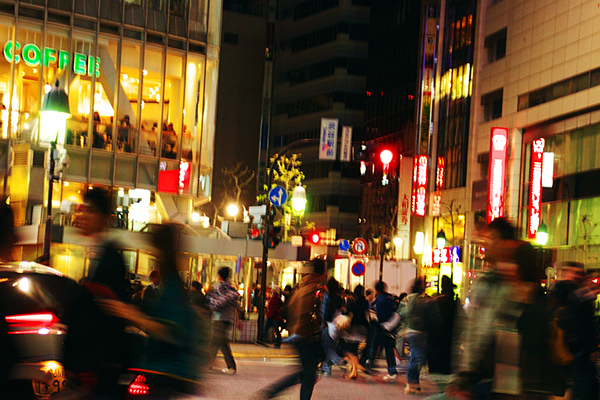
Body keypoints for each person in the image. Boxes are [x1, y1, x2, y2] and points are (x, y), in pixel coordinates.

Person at [452, 217, 554, 399]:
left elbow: (511, 344)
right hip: (501, 385)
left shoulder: (528, 304)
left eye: (511, 263)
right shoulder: (510, 298)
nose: (506, 269)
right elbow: (493, 343)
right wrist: (468, 376)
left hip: (520, 388)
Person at [97, 224, 202, 397]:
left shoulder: (173, 287)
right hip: (163, 370)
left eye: (152, 250)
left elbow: (170, 331)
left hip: (165, 371)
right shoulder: (171, 284)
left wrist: (131, 315)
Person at [251, 258, 326, 400]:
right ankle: (271, 392)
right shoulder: (313, 289)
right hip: (306, 336)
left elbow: (289, 308)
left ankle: (271, 392)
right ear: (322, 273)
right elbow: (307, 313)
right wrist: (310, 330)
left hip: (297, 334)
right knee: (308, 375)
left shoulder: (302, 287)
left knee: (305, 373)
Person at [549, 262, 599, 400]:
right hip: (575, 349)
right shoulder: (570, 293)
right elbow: (581, 323)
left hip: (574, 349)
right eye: (574, 273)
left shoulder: (565, 293)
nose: (577, 276)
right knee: (583, 387)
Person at [206, 266, 240, 374]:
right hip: (227, 318)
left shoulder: (217, 288)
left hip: (218, 318)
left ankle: (231, 366)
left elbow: (211, 302)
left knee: (219, 342)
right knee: (217, 341)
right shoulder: (231, 289)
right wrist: (237, 320)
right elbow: (235, 306)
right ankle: (209, 363)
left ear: (219, 275)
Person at [427, 275, 458, 375]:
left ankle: (435, 368)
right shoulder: (451, 301)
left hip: (437, 331)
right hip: (448, 332)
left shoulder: (437, 300)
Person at [369, 280, 399, 382]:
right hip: (390, 327)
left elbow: (380, 316)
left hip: (381, 328)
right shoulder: (390, 298)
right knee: (389, 350)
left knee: (374, 347)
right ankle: (392, 371)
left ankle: (369, 367)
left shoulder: (380, 300)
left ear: (377, 290)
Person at [320, 277, 346, 375]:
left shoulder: (328, 297)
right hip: (337, 325)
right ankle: (327, 367)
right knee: (332, 345)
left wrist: (324, 322)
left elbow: (325, 312)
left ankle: (338, 360)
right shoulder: (339, 298)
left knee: (328, 347)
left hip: (329, 325)